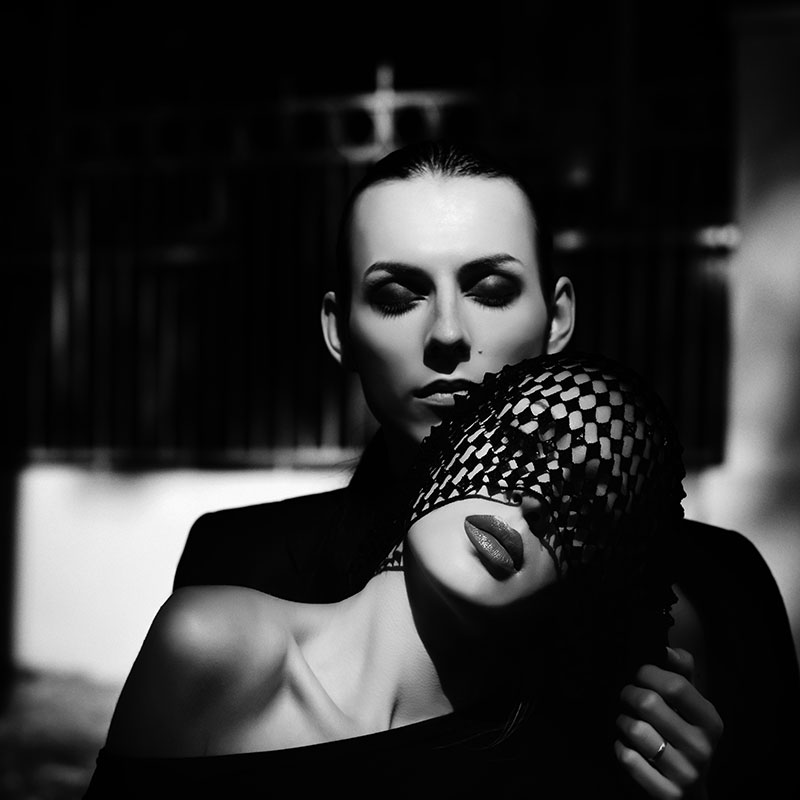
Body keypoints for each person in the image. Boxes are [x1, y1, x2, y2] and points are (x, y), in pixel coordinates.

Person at [167, 139, 734, 798]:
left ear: (557, 318)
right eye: (397, 295)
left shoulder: (713, 588)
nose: (446, 333)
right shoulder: (236, 566)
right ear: (339, 330)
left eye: (490, 290)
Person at [85, 351, 687, 798]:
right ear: (449, 452)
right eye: (521, 448)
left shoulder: (549, 769)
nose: (534, 500)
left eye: (585, 505)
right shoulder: (214, 647)